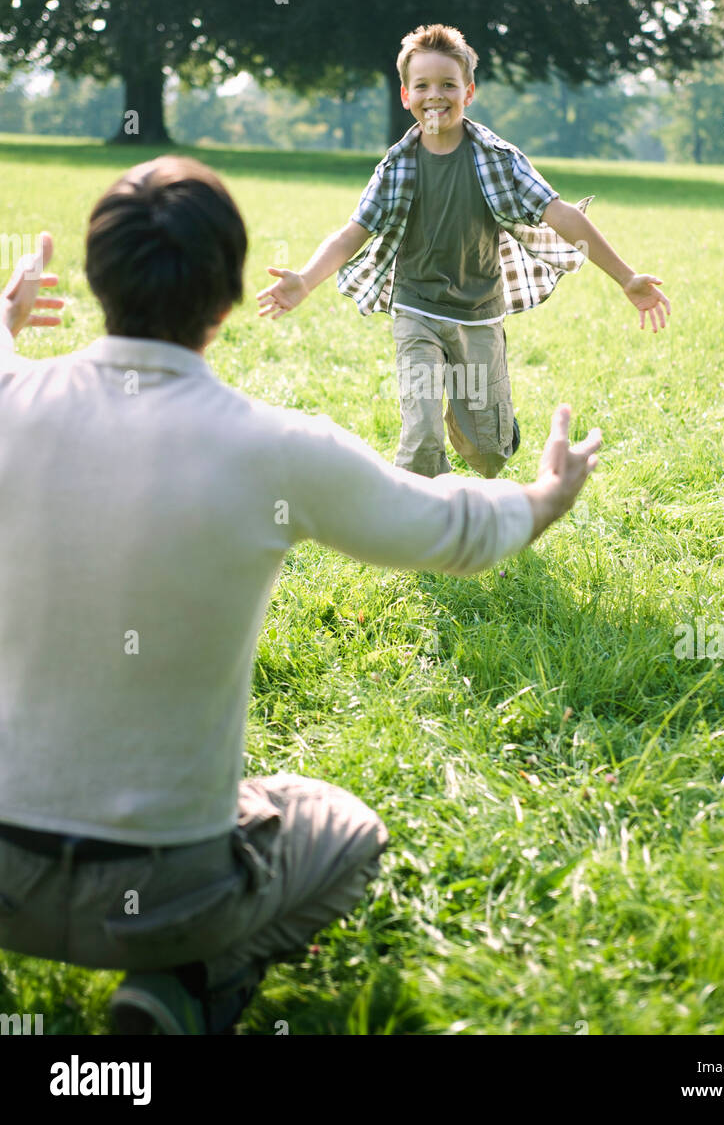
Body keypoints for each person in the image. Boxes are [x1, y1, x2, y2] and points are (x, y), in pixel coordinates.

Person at [0, 155, 601, 1036]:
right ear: (229, 297)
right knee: (344, 830)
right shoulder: (276, 450)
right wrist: (544, 499)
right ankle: (179, 986)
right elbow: (451, 531)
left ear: (96, 280)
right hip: (167, 894)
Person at [258, 22, 670, 479]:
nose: (436, 95)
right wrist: (305, 280)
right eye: (423, 86)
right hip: (416, 310)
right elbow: (352, 233)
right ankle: (425, 530)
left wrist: (627, 277)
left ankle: (477, 420)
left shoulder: (498, 159)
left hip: (478, 313)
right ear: (405, 96)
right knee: (420, 437)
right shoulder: (396, 166)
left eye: (448, 85)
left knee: (488, 454)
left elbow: (562, 215)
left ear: (468, 92)